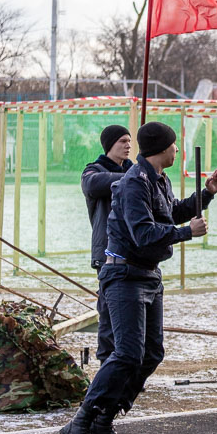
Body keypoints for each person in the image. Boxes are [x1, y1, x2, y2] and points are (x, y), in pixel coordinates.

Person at [62, 122, 217, 434]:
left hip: (148, 274)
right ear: (162, 148)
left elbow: (171, 212)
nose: (177, 149)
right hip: (124, 275)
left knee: (151, 354)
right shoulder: (133, 182)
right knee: (126, 353)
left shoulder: (158, 179)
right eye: (174, 144)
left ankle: (105, 419)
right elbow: (143, 233)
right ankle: (82, 421)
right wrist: (186, 233)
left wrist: (206, 194)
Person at [80, 125, 133, 367]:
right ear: (110, 145)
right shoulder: (94, 170)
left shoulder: (134, 170)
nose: (128, 145)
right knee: (110, 315)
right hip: (108, 255)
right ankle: (106, 367)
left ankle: (126, 368)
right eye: (122, 141)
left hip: (135, 254)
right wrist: (135, 177)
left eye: (129, 141)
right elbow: (92, 185)